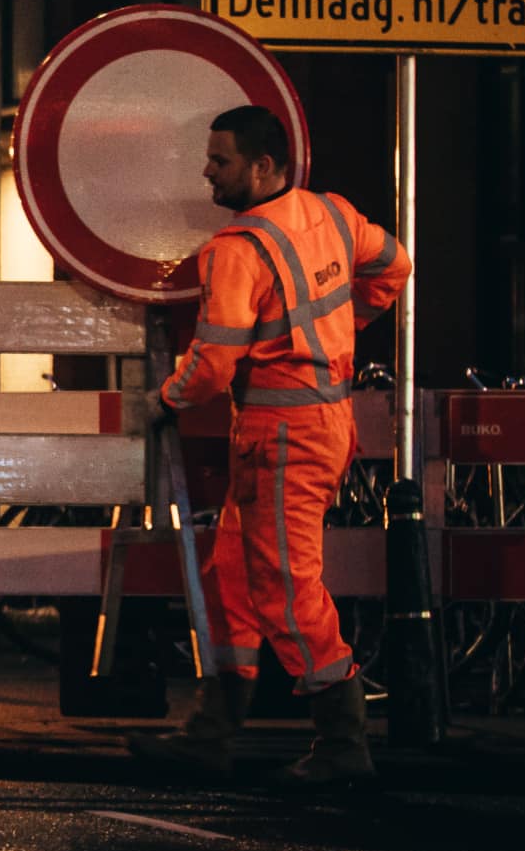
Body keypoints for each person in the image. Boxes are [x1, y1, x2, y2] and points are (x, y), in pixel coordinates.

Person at [128, 104, 411, 787]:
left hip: (281, 434)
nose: (207, 170)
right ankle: (211, 732)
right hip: (318, 425)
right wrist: (340, 330)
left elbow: (215, 360)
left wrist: (164, 398)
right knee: (231, 573)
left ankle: (343, 741)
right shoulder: (334, 215)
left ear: (262, 166)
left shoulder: (235, 249)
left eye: (219, 160)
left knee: (286, 586)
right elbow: (394, 265)